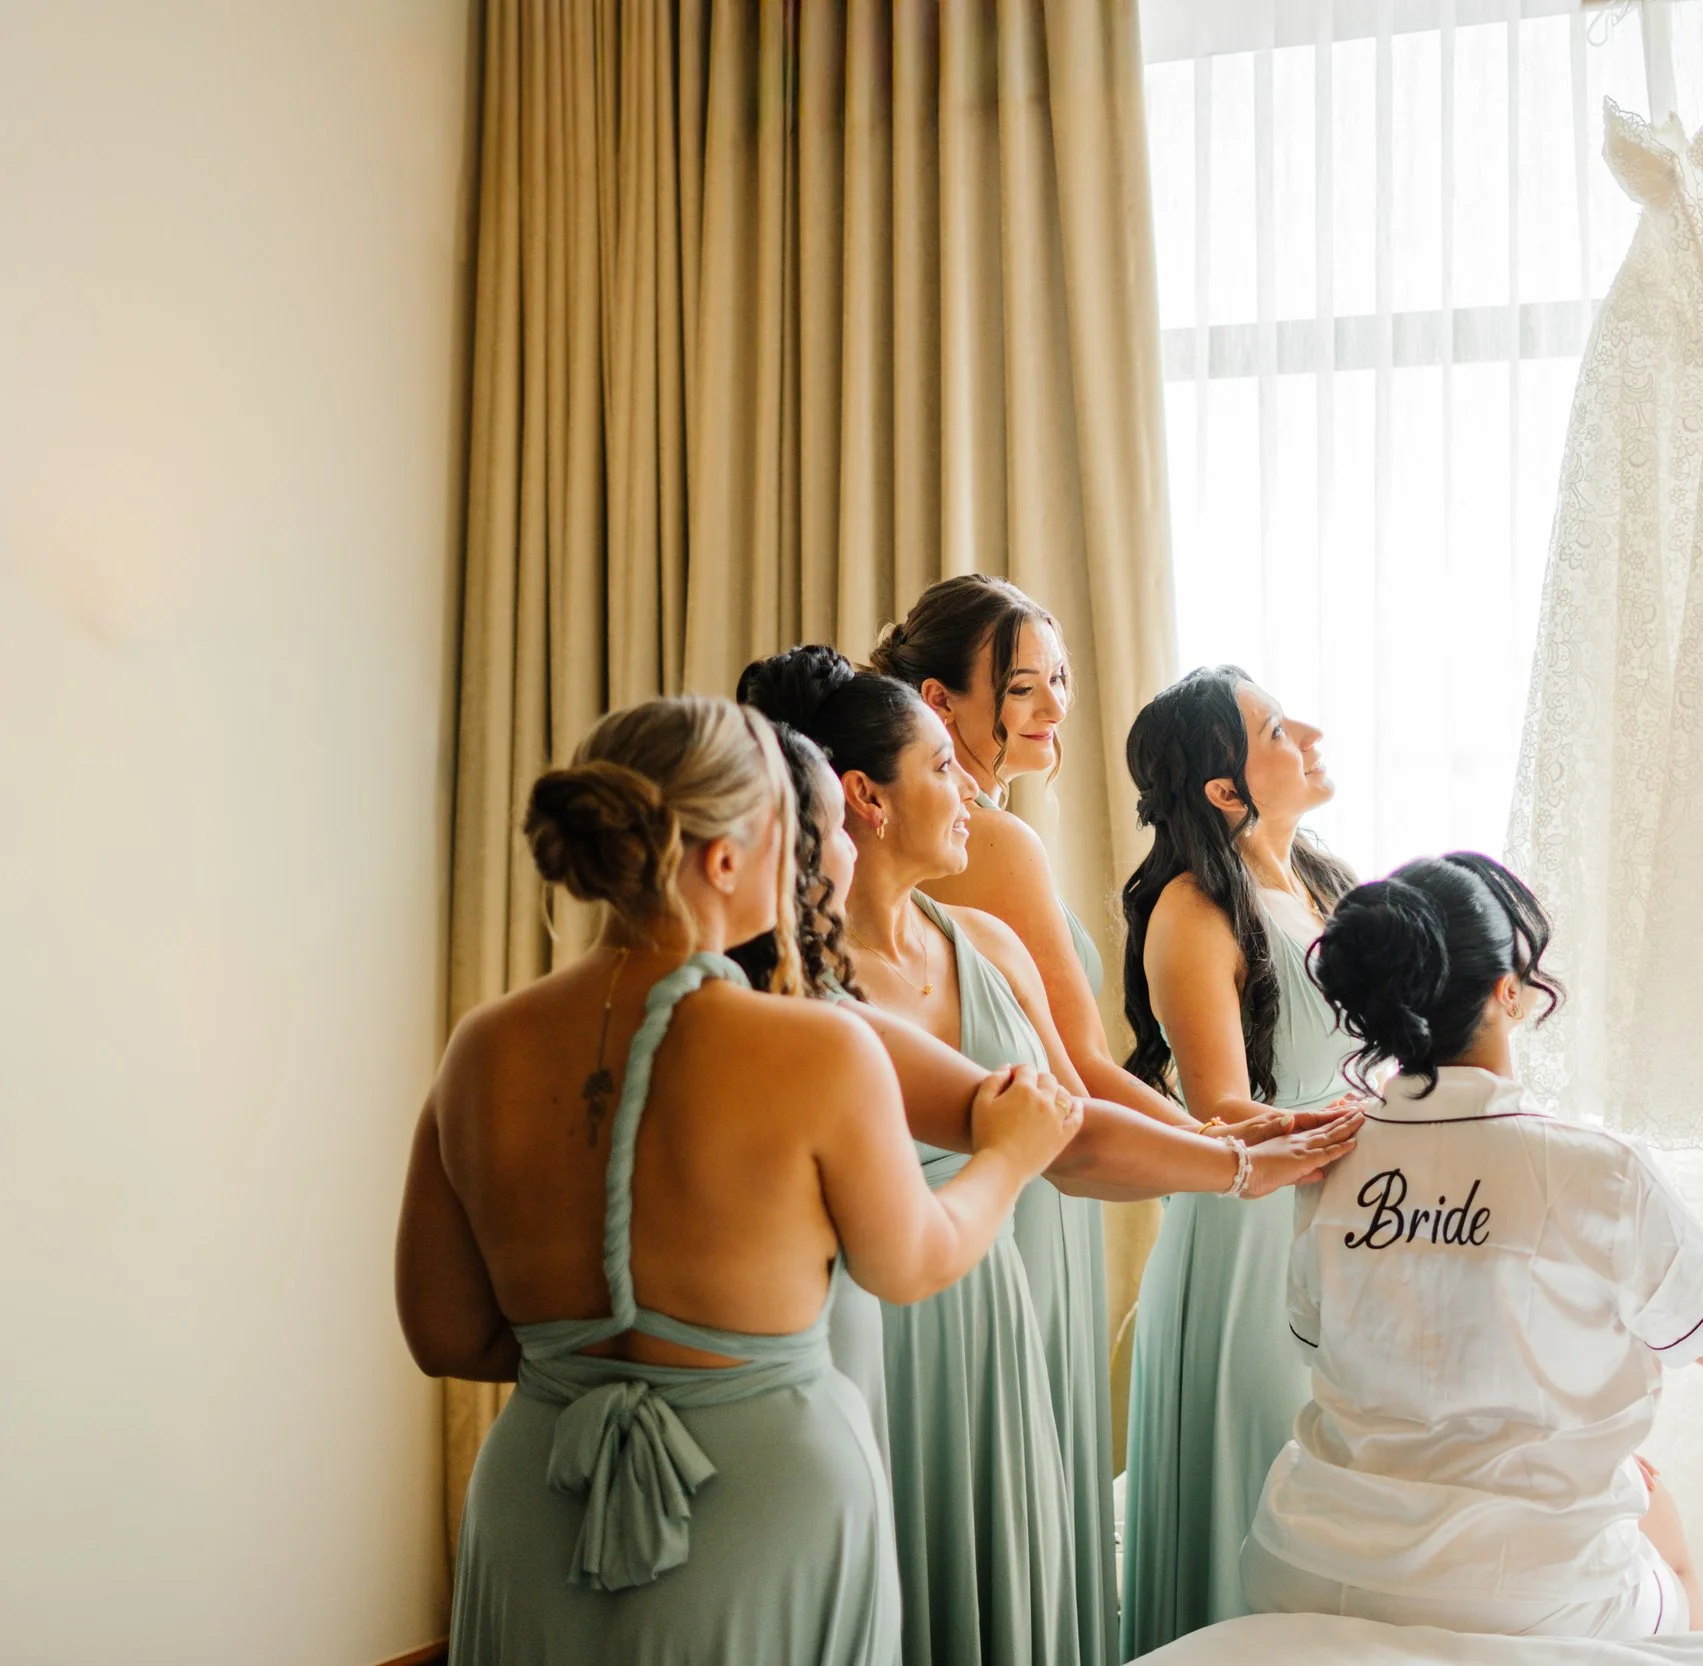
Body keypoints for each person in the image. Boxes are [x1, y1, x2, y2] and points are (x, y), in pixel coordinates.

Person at [397, 694, 1077, 1666]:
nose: (810, 857)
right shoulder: (818, 1048)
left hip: (542, 1485)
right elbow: (911, 1261)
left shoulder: (482, 1048)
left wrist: (600, 1362)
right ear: (723, 859)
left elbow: (444, 1333)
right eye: (792, 833)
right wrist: (1009, 1155)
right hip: (765, 1492)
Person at [737, 652, 1361, 1666]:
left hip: (991, 1320)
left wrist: (1233, 1150)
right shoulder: (797, 996)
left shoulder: (988, 942)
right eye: (945, 767)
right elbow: (1033, 1131)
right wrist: (1233, 1151)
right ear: (866, 799)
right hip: (859, 1324)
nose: (973, 794)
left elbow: (1073, 1124)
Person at [1243, 853, 1703, 1638]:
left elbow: (1338, 1349)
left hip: (1308, 1561)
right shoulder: (1589, 1172)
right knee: (1669, 1538)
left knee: (1640, 1491)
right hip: (1519, 1594)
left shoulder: (1329, 1156)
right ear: (1508, 993)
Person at [871, 577, 1196, 1665]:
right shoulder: (994, 845)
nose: (1055, 704)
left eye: (1059, 677)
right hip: (1007, 1183)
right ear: (939, 698)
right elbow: (1085, 1070)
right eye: (1022, 685)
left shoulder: (973, 836)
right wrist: (1226, 1149)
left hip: (1003, 1168)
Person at [1116, 666, 1362, 1655]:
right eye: (1270, 727)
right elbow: (1216, 1106)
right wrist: (1338, 1130)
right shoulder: (1193, 908)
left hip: (1347, 1215)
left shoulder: (1327, 888)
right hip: (1255, 1233)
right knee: (1269, 1471)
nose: (1305, 726)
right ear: (1225, 791)